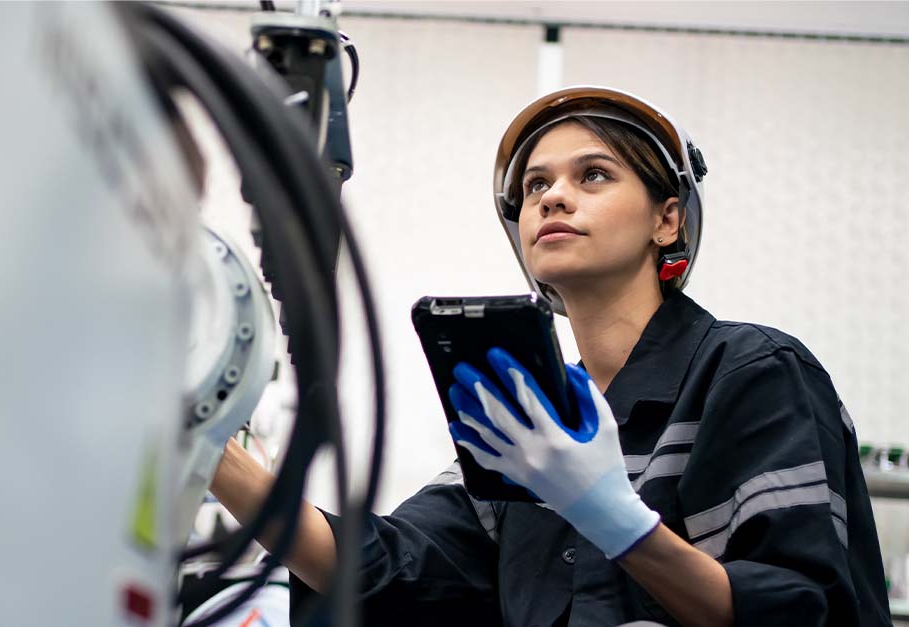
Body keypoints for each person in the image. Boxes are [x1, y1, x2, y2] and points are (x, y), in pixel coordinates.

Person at [209, 86, 890, 626]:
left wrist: (613, 517)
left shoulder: (751, 373)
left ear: (667, 219)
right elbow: (382, 566)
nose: (552, 196)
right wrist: (209, 443)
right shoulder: (530, 423)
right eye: (535, 186)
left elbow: (802, 607)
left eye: (593, 175)